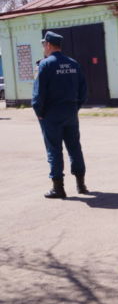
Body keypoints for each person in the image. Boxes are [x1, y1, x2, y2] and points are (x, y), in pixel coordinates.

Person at [32, 31, 89, 199]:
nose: (44, 47)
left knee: (54, 150)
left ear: (48, 45)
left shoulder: (45, 65)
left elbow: (38, 93)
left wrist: (39, 112)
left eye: (44, 44)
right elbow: (83, 91)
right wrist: (75, 107)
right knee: (74, 147)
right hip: (70, 112)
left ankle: (58, 188)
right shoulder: (73, 64)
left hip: (51, 114)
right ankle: (81, 184)